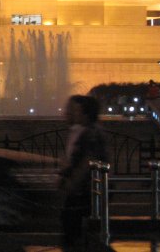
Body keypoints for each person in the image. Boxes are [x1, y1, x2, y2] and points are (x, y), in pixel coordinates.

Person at [59, 95, 108, 250]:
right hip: (86, 189)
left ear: (86, 114)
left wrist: (72, 182)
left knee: (72, 226)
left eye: (77, 111)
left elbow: (87, 161)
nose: (73, 114)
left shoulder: (90, 134)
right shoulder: (88, 132)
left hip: (84, 190)